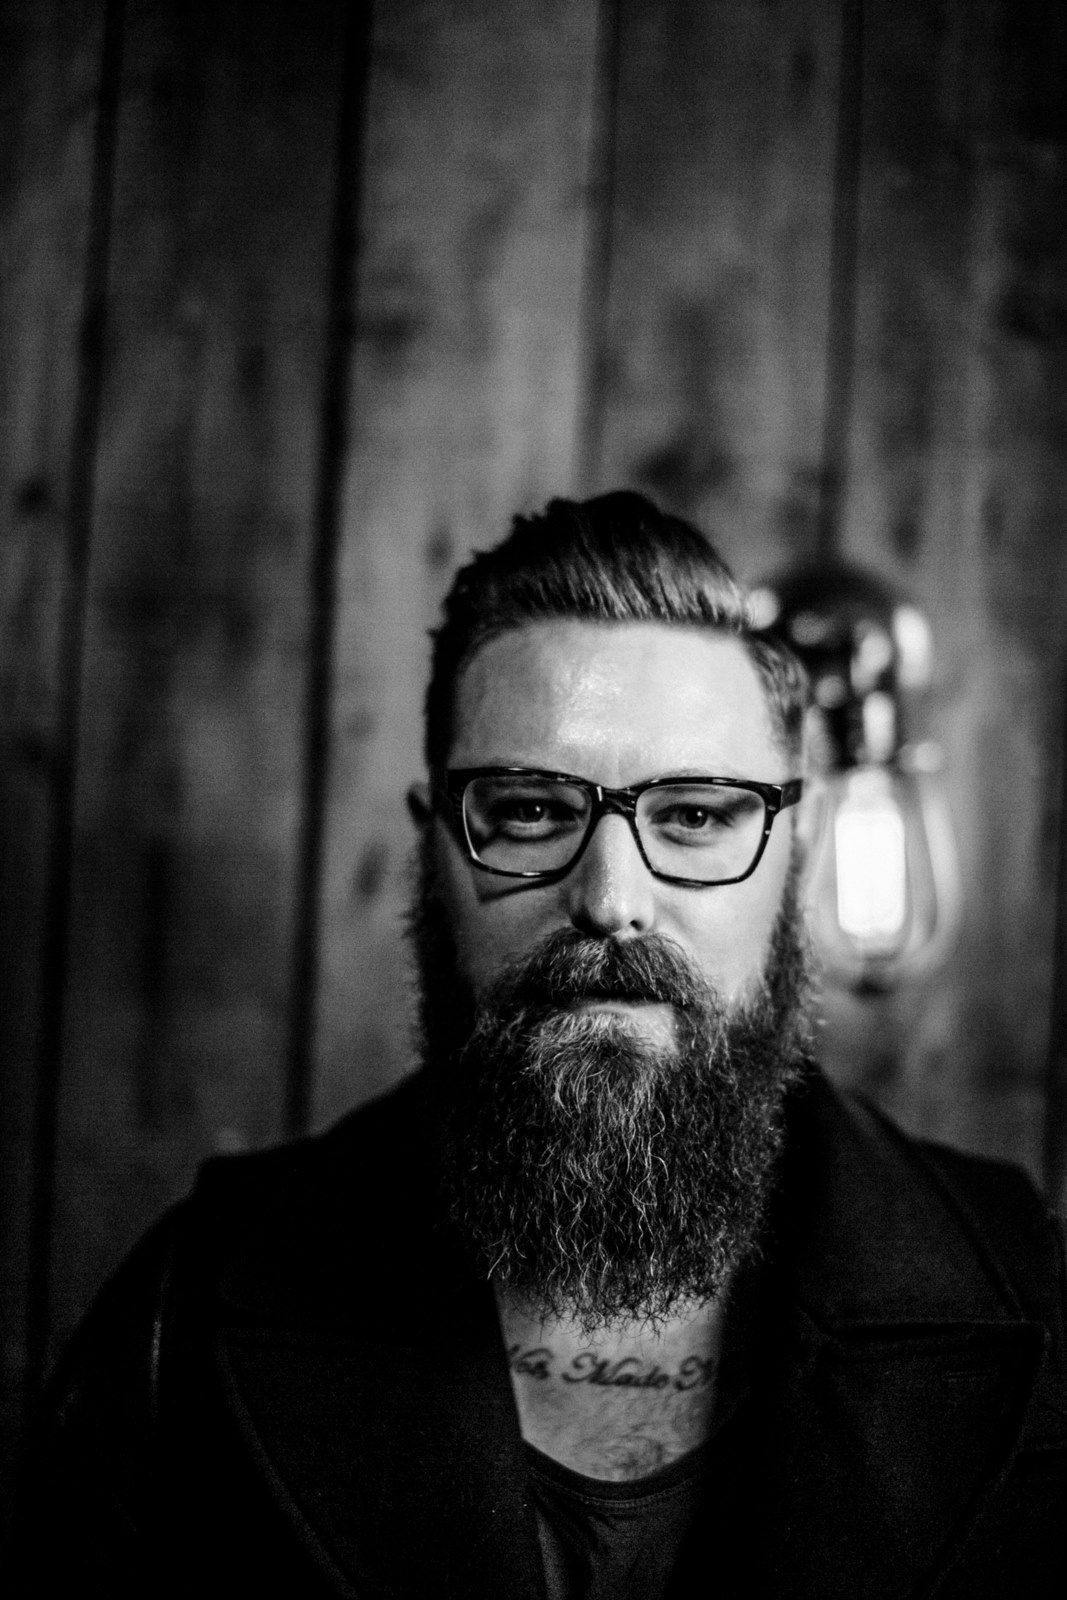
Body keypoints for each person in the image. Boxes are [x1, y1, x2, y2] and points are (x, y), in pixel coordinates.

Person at [14, 491, 1067, 1597]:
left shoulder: (1029, 1304)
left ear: (790, 859)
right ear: (434, 852)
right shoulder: (182, 1321)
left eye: (696, 816)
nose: (611, 897)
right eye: (526, 811)